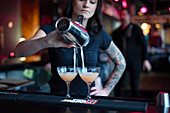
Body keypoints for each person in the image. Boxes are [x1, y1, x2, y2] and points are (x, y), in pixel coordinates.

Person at [15, 0, 126, 97]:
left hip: (87, 99)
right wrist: (44, 42)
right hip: (58, 98)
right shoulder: (54, 29)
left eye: (92, 2)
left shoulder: (98, 33)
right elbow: (18, 51)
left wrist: (106, 90)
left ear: (96, 7)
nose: (86, 5)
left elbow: (121, 63)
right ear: (72, 1)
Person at [111, 8, 151, 98]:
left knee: (135, 85)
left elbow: (144, 45)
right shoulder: (116, 32)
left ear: (129, 16)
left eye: (124, 15)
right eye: (121, 15)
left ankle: (135, 106)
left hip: (135, 61)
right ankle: (118, 104)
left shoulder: (136, 29)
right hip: (121, 62)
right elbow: (113, 48)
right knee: (118, 84)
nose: (122, 17)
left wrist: (146, 59)